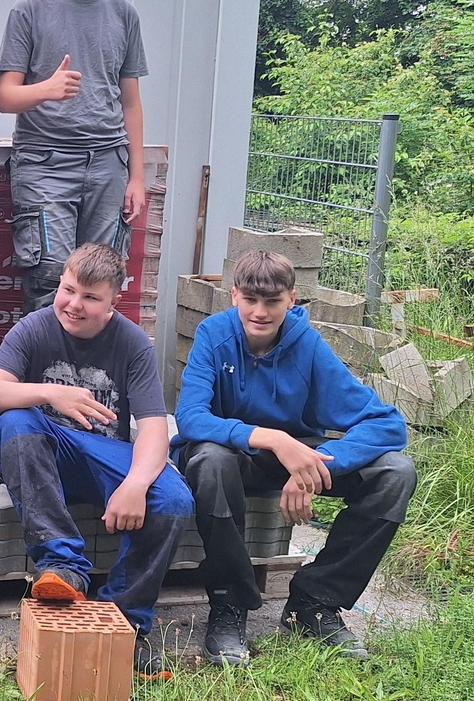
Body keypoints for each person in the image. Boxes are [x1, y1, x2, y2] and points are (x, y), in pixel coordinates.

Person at [173, 251, 416, 666]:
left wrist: (317, 463)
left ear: (292, 299)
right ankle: (229, 606)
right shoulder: (213, 334)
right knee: (209, 460)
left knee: (395, 472)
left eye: (272, 301)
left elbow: (387, 423)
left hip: (299, 456)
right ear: (233, 296)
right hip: (233, 456)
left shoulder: (308, 345)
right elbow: (191, 417)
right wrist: (274, 439)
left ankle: (314, 603)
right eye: (250, 299)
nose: (260, 312)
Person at [0, 243, 189, 677]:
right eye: (68, 290)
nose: (74, 304)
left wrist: (136, 485)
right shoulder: (35, 327)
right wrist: (51, 392)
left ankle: (126, 622)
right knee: (13, 420)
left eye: (90, 297)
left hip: (101, 453)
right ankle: (63, 568)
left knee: (173, 499)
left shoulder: (132, 344)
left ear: (113, 302)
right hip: (42, 448)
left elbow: (153, 427)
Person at [0, 0, 149, 312]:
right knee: (50, 283)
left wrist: (136, 177)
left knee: (100, 283)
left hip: (107, 164)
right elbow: (5, 97)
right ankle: (45, 376)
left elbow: (130, 103)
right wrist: (46, 89)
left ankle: (91, 378)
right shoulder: (29, 10)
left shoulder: (124, 15)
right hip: (45, 164)